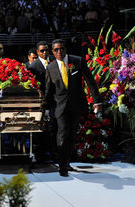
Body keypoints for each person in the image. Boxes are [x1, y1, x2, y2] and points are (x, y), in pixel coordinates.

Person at [44, 39, 101, 177]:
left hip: (76, 105)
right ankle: (62, 166)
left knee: (71, 135)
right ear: (52, 52)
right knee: (62, 134)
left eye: (62, 48)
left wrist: (97, 102)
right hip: (60, 107)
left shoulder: (77, 61)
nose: (59, 52)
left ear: (66, 49)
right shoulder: (50, 68)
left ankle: (67, 162)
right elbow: (48, 90)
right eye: (56, 50)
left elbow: (90, 82)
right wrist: (45, 109)